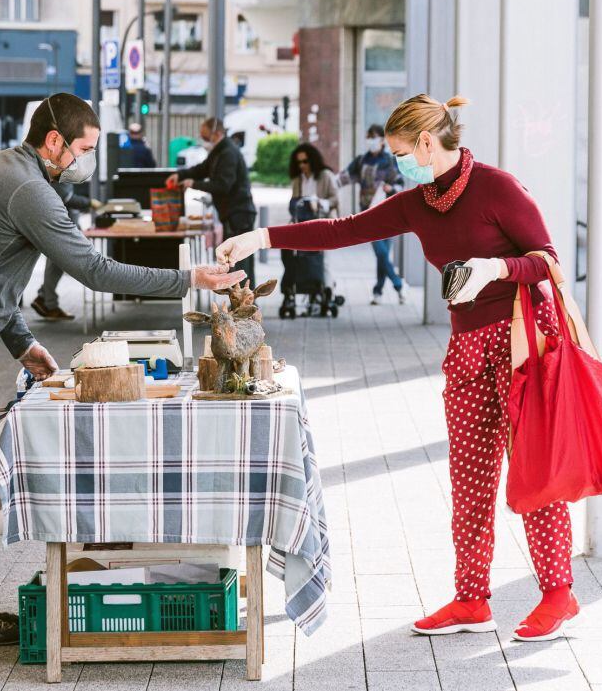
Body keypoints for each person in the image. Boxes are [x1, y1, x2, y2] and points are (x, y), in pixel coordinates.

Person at [216, 94, 579, 643]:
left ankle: (558, 594)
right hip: (468, 349)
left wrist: (496, 268)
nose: (396, 162)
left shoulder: (498, 188)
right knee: (471, 479)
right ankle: (471, 599)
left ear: (428, 144)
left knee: (533, 469)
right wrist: (262, 236)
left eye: (401, 152)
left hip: (520, 345)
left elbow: (549, 261)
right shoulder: (418, 202)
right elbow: (342, 229)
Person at [0, 93, 244, 646]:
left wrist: (22, 341)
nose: (87, 161)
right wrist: (189, 280)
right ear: (54, 141)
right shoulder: (31, 189)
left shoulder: (3, 169)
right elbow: (93, 269)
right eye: (85, 149)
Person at [166, 117, 257, 286]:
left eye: (204, 134)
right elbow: (202, 169)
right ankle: (241, 305)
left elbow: (223, 185)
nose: (202, 137)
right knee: (236, 262)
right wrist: (181, 175)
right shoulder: (219, 151)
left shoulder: (228, 152)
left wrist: (193, 184)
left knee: (239, 263)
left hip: (239, 214)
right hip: (232, 213)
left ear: (216, 133)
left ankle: (245, 306)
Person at [339, 124, 406, 305]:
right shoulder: (361, 161)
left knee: (381, 255)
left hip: (389, 214)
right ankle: (398, 285)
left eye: (374, 137)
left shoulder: (390, 161)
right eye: (369, 137)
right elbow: (345, 177)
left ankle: (378, 291)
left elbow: (400, 184)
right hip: (368, 214)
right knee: (381, 253)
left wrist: (390, 188)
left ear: (383, 141)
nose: (371, 140)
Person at [30, 185, 102, 320]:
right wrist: (89, 203)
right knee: (56, 264)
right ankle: (48, 303)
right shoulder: (62, 171)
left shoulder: (66, 172)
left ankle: (44, 298)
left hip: (61, 222)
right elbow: (66, 198)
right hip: (57, 224)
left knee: (57, 265)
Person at [289, 142, 339, 218]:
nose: (302, 165)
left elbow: (335, 199)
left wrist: (319, 203)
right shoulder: (297, 180)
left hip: (323, 220)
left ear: (312, 160)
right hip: (302, 221)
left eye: (305, 161)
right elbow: (294, 203)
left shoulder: (326, 175)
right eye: (299, 162)